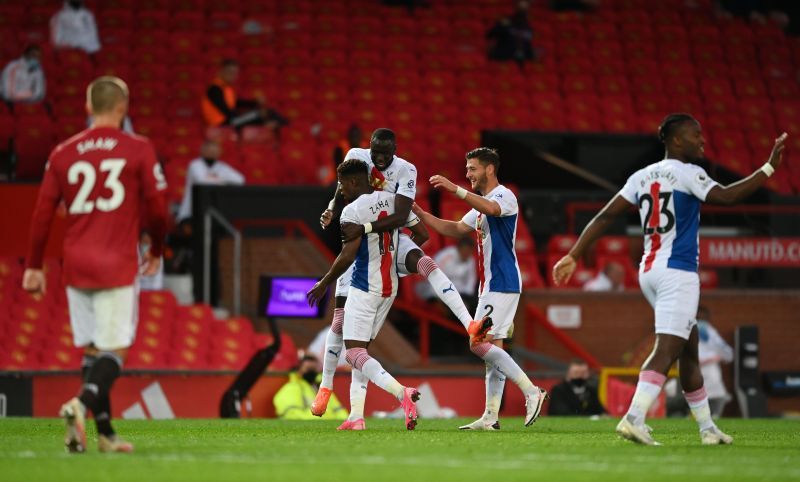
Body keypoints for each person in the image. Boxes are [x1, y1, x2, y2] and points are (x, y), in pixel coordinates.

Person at [552, 113, 788, 445]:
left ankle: (707, 429)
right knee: (667, 347)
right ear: (676, 140)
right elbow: (728, 196)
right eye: (696, 135)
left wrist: (575, 254)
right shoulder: (689, 173)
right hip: (678, 271)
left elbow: (606, 215)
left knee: (688, 349)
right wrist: (769, 168)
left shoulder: (641, 176)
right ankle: (634, 417)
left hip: (649, 271)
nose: (702, 140)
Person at [23, 76, 168, 453]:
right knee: (114, 351)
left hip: (76, 264)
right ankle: (79, 405)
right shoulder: (138, 149)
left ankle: (104, 435)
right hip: (116, 260)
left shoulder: (63, 152)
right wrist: (157, 248)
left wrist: (34, 265)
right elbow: (158, 208)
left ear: (88, 108)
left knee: (91, 351)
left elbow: (41, 214)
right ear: (123, 108)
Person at [310, 128, 488, 419]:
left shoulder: (405, 171)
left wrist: (390, 256)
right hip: (369, 250)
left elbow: (405, 216)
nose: (379, 159)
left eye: (385, 154)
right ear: (368, 149)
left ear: (394, 151)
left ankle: (470, 324)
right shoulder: (355, 158)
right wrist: (331, 207)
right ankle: (328, 388)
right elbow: (342, 188)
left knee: (424, 263)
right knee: (342, 326)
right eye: (375, 153)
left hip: (385, 238)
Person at [412, 147, 548, 430]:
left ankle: (531, 390)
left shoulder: (504, 196)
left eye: (472, 168)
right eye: (466, 169)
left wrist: (454, 190)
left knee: (477, 342)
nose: (467, 174)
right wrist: (422, 213)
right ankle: (490, 416)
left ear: (489, 169)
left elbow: (493, 210)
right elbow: (454, 229)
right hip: (492, 283)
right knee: (492, 348)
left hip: (502, 281)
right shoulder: (480, 205)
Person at [307, 158, 426, 431]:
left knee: (354, 353)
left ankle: (400, 392)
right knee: (362, 350)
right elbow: (422, 233)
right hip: (390, 288)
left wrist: (324, 282)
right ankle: (356, 417)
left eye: (341, 184)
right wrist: (396, 262)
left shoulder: (351, 211)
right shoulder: (393, 200)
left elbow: (348, 255)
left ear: (352, 182)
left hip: (364, 286)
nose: (340, 190)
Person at [201, 59, 287, 131]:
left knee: (266, 112)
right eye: (230, 72)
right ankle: (280, 124)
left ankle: (282, 126)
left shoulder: (227, 88)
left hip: (230, 119)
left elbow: (235, 103)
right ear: (221, 71)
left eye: (235, 73)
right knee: (260, 113)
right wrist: (247, 116)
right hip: (222, 123)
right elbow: (226, 111)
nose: (233, 75)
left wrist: (254, 103)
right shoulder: (215, 88)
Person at [176, 140, 245, 223]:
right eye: (210, 150)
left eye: (215, 151)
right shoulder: (195, 164)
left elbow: (240, 180)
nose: (213, 153)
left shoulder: (222, 166)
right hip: (190, 213)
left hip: (214, 212)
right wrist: (222, 180)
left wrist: (216, 178)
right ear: (202, 151)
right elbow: (201, 181)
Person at [273, 355, 346, 420]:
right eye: (308, 368)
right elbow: (292, 415)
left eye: (314, 369)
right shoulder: (292, 388)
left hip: (329, 427)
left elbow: (340, 411)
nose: (311, 372)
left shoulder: (323, 390)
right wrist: (324, 420)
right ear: (299, 370)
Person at [416, 236, 477, 310]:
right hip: (439, 291)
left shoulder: (471, 260)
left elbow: (471, 281)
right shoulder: (445, 256)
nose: (467, 253)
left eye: (470, 251)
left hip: (459, 292)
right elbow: (433, 275)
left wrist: (466, 297)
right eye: (465, 250)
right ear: (459, 248)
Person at [696, 306, 734, 418]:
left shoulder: (709, 331)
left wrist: (715, 358)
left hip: (709, 368)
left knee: (717, 395)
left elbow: (726, 352)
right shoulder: (688, 330)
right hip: (695, 368)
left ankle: (713, 416)